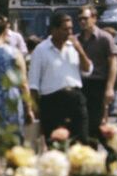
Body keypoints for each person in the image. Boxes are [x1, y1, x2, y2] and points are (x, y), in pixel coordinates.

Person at [28, 14, 90, 144]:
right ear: (54, 30)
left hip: (75, 99)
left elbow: (88, 70)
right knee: (55, 143)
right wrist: (34, 109)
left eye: (71, 28)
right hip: (52, 102)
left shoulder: (74, 47)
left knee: (81, 141)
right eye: (65, 29)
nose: (69, 33)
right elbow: (33, 83)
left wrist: (80, 51)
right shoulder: (41, 50)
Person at [75, 7, 117, 143]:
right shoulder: (76, 39)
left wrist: (110, 88)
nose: (82, 22)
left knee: (96, 123)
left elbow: (113, 64)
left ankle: (114, 149)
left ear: (94, 18)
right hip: (81, 84)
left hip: (99, 84)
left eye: (85, 18)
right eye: (80, 19)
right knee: (83, 123)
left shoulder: (104, 38)